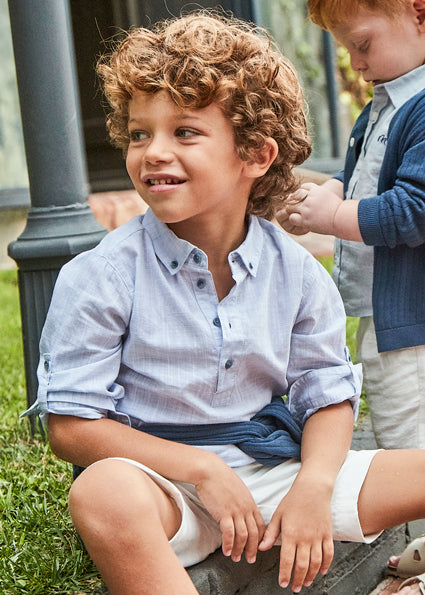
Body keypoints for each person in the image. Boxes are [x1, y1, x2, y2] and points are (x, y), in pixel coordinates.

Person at [26, 11, 425, 595]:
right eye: (139, 134)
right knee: (102, 491)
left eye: (185, 132)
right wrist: (202, 470)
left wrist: (314, 487)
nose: (153, 152)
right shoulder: (101, 275)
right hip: (165, 487)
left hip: (276, 475)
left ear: (256, 155)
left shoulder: (296, 273)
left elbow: (326, 395)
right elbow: (70, 428)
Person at [277, 1, 425, 591]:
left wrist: (332, 217)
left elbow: (414, 209)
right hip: (384, 314)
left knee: (411, 441)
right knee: (399, 432)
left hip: (414, 318)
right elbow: (361, 179)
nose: (355, 63)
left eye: (362, 44)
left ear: (419, 14)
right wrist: (322, 196)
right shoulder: (382, 105)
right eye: (346, 50)